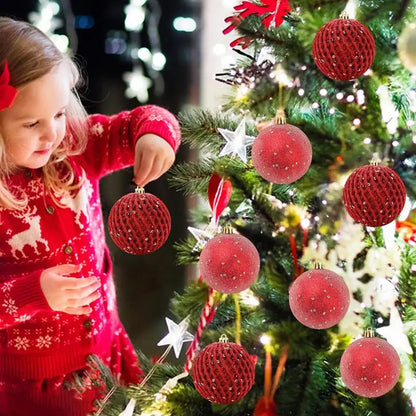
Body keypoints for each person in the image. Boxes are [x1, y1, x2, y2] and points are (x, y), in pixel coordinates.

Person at [0, 16, 181, 416]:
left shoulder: (75, 148)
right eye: (32, 123)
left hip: (106, 352)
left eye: (60, 113)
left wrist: (154, 134)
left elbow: (142, 119)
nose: (53, 134)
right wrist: (34, 293)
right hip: (31, 387)